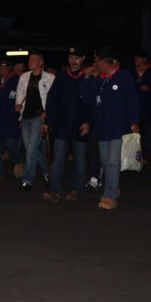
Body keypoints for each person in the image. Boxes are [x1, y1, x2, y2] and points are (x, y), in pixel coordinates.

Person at [84, 46, 139, 210]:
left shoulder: (124, 76)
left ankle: (109, 196)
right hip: (102, 128)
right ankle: (113, 189)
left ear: (107, 61)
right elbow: (87, 99)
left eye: (97, 61)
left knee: (113, 162)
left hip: (119, 128)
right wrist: (87, 78)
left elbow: (132, 100)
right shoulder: (99, 80)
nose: (96, 64)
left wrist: (134, 121)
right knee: (105, 162)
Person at [42, 44, 91, 203]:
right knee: (57, 160)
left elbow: (93, 103)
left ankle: (76, 190)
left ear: (83, 58)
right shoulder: (62, 77)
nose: (73, 61)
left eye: (76, 58)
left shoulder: (88, 77)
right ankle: (54, 190)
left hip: (80, 126)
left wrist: (88, 122)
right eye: (70, 57)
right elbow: (52, 100)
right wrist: (48, 122)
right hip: (62, 125)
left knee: (80, 161)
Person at [15, 52, 55, 191]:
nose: (30, 62)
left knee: (31, 149)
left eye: (33, 59)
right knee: (30, 150)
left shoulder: (50, 78)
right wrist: (18, 104)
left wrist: (47, 112)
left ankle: (27, 180)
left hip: (39, 116)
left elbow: (53, 98)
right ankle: (48, 173)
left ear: (41, 63)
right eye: (29, 59)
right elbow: (19, 93)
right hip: (26, 116)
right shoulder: (24, 76)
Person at [130, 49, 151, 157]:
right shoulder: (131, 72)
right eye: (135, 57)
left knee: (147, 131)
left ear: (144, 59)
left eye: (139, 57)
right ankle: (131, 155)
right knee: (132, 131)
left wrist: (150, 88)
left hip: (148, 107)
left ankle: (145, 155)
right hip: (133, 107)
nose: (136, 59)